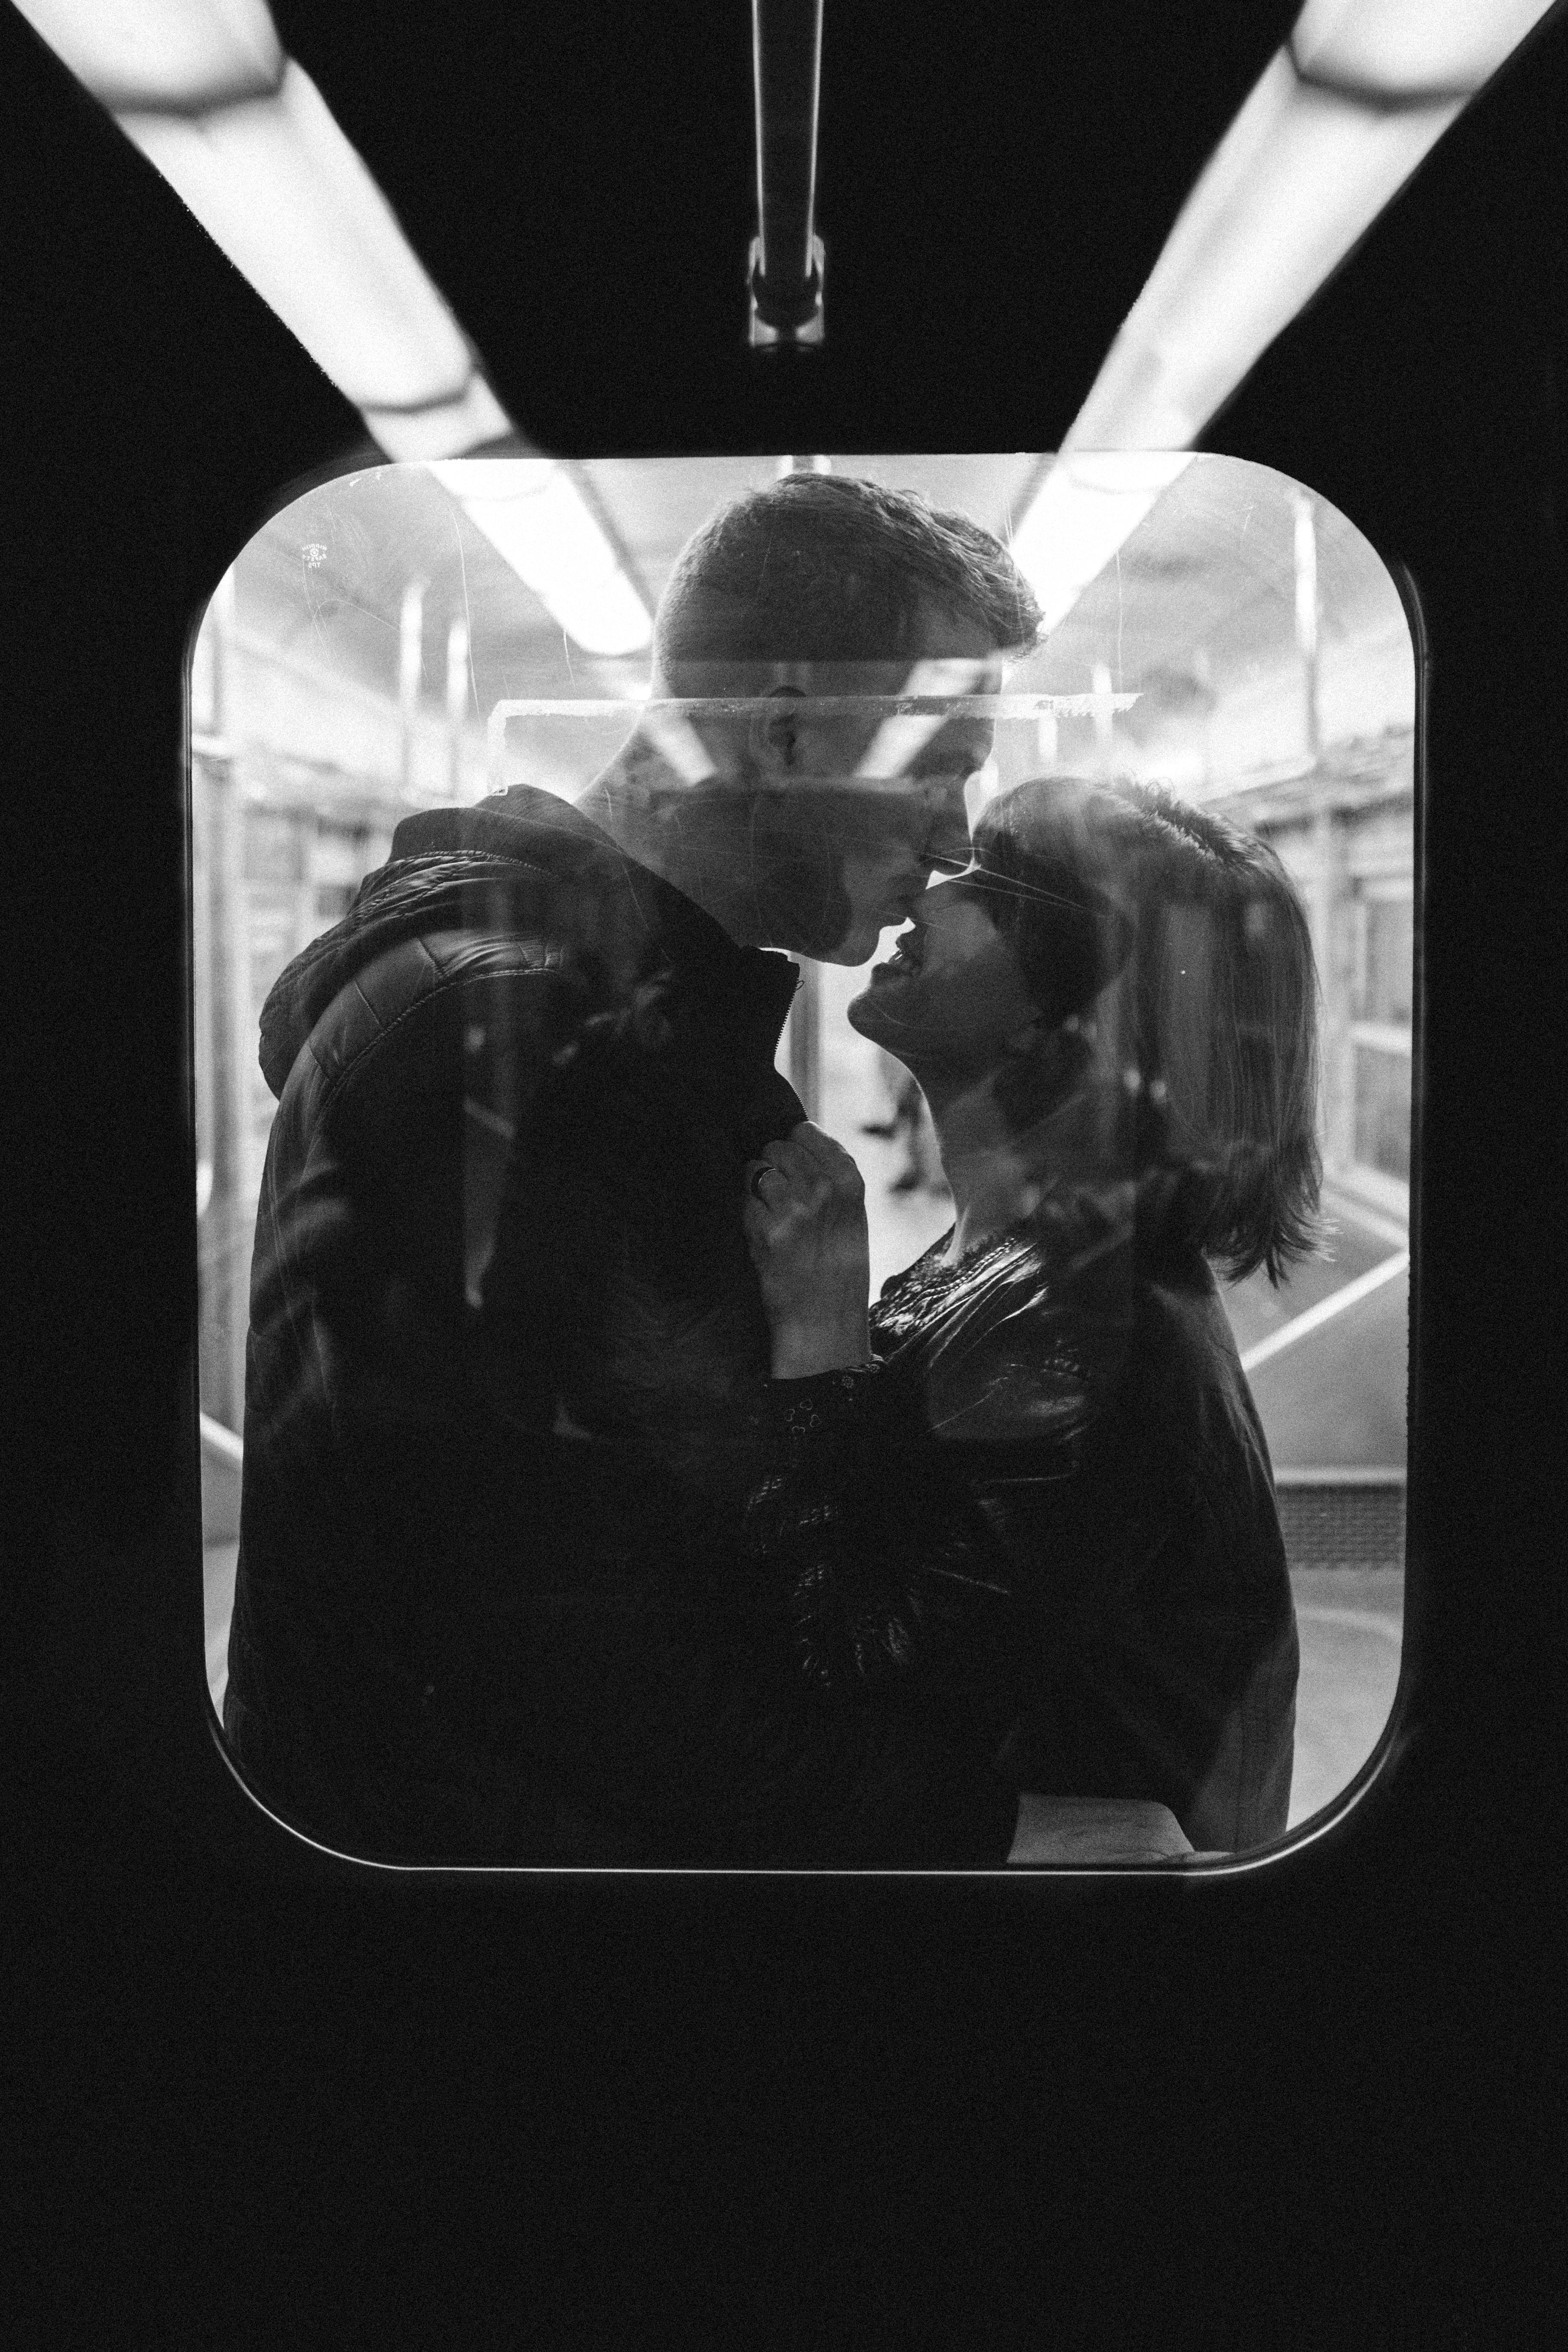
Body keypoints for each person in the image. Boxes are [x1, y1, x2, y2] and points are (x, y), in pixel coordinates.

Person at [223, 470, 1044, 1865]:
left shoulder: (583, 1027)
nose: (956, 838)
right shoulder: (526, 1058)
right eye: (939, 763)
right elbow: (626, 1683)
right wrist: (951, 1810)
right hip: (479, 1963)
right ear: (782, 732)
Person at [742, 774, 1319, 1852]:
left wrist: (817, 1348)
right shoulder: (1044, 1267)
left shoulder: (1079, 1332)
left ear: (1077, 1026)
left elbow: (843, 1692)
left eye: (992, 893)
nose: (929, 896)